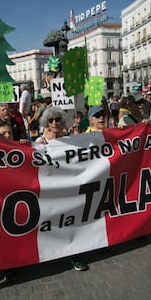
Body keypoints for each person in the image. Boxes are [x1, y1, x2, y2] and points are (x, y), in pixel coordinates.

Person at [36, 107, 89, 271]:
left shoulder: (70, 140)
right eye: (51, 120)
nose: (54, 123)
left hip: (68, 188)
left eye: (58, 119)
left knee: (70, 222)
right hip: (48, 190)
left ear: (63, 121)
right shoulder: (40, 141)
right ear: (46, 122)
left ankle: (74, 256)